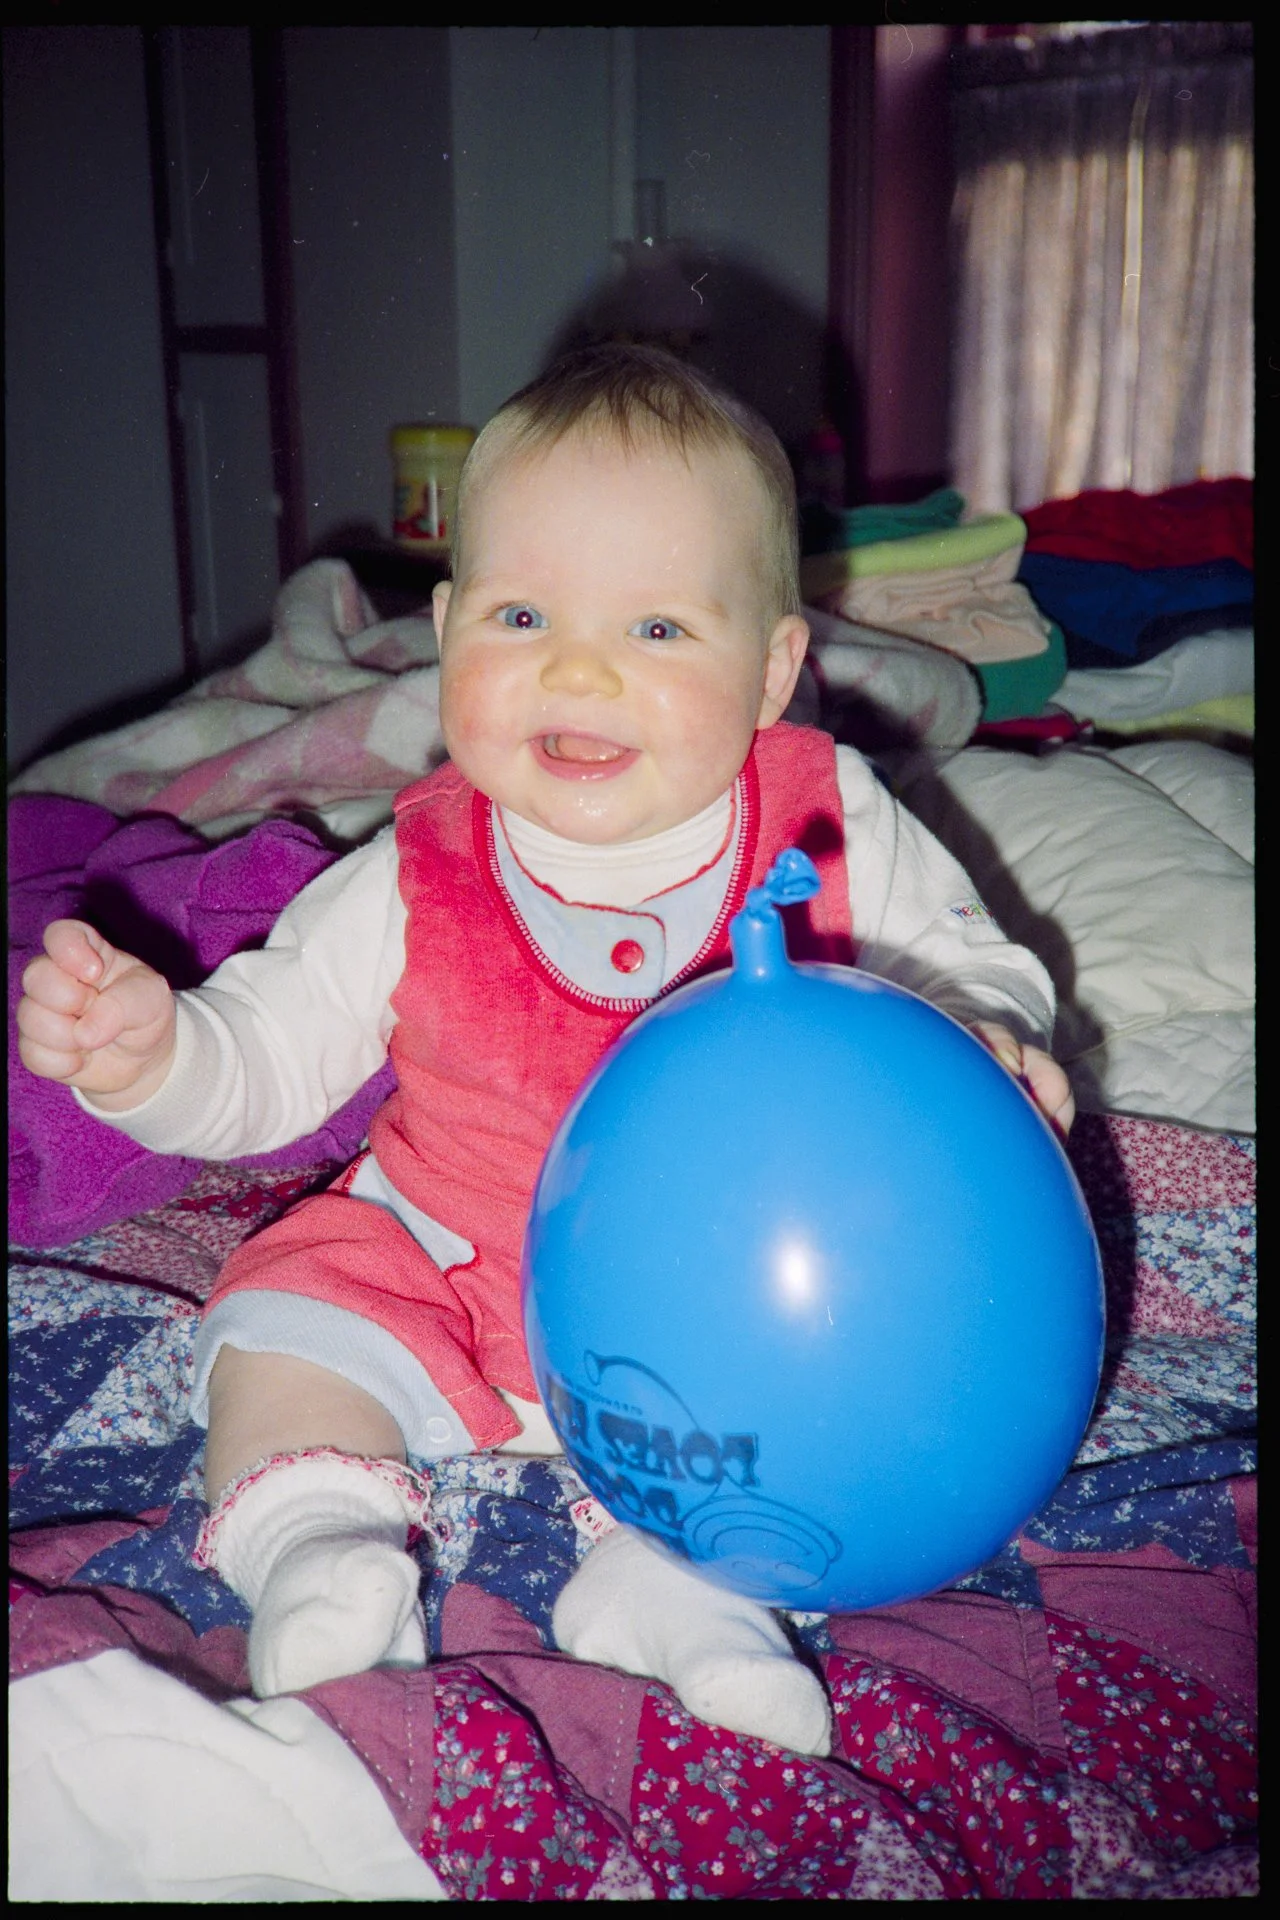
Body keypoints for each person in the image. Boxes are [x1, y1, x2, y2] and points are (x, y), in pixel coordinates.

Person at [17, 344, 1074, 1758]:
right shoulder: (418, 867)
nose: (577, 669)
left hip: (719, 1302)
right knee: (278, 1314)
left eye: (658, 629)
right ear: (445, 630)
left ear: (772, 672)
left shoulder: (831, 820)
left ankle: (683, 1592)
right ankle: (320, 1544)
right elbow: (267, 1057)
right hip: (444, 1261)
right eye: (522, 615)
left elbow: (976, 966)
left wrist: (985, 1043)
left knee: (808, 1401)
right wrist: (153, 1057)